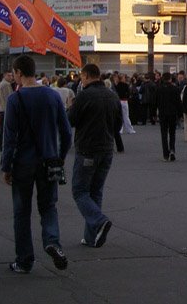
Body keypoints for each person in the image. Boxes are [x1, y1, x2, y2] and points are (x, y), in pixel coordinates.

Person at [1, 54, 72, 273]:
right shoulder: (52, 96)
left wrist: (6, 166)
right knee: (48, 206)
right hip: (49, 161)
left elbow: (9, 137)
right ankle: (52, 242)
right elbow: (66, 131)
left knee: (21, 212)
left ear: (19, 73)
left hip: (22, 163)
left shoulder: (15, 99)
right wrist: (60, 156)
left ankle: (24, 260)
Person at [68, 63, 123, 249]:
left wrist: (70, 107)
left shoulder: (84, 96)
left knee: (80, 191)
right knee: (95, 191)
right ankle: (91, 237)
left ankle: (99, 221)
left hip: (87, 149)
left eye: (81, 77)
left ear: (86, 76)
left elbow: (71, 120)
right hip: (107, 149)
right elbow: (118, 124)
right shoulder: (112, 95)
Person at [156, 72, 182, 161]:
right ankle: (172, 150)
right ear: (170, 79)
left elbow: (155, 102)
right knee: (172, 133)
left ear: (163, 79)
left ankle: (165, 155)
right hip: (173, 113)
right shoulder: (175, 89)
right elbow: (178, 102)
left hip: (163, 113)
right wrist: (180, 114)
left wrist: (154, 114)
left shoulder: (159, 89)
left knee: (164, 134)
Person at [0, 71, 14, 151]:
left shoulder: (1, 83)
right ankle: (3, 145)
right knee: (5, 130)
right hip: (5, 110)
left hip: (1, 109)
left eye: (11, 75)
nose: (11, 77)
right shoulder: (6, 85)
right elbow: (9, 98)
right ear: (5, 76)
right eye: (9, 75)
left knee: (2, 130)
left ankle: (1, 145)